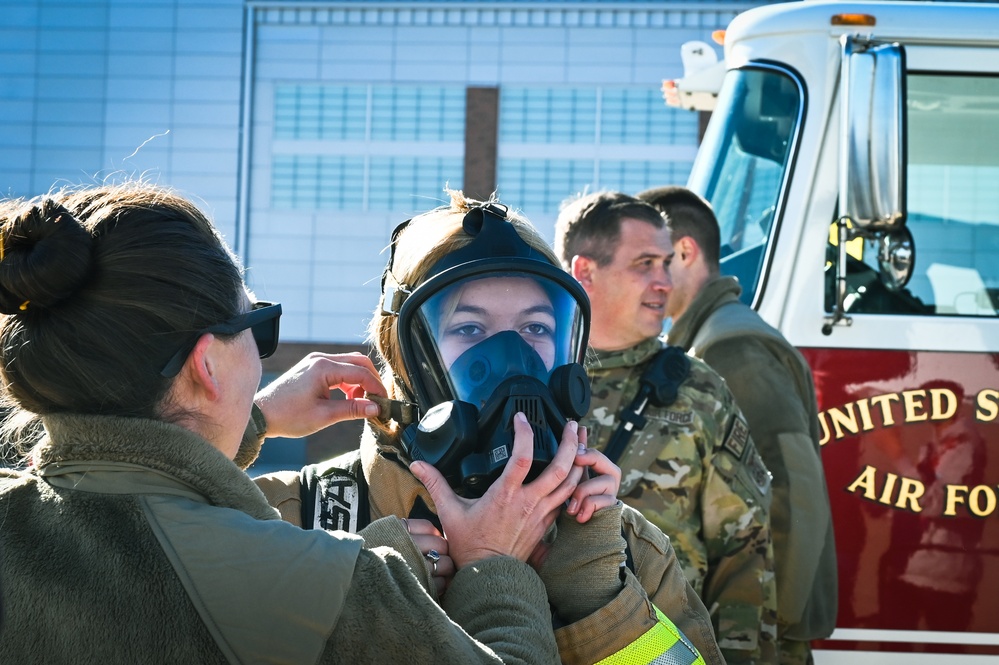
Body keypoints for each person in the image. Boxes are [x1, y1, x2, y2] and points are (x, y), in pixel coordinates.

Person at [0, 183, 586, 664]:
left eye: (537, 327)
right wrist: (493, 567)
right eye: (257, 324)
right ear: (208, 363)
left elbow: (137, 498)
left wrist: (253, 419)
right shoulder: (320, 576)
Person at [255, 190, 726, 665]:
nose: (511, 359)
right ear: (402, 356)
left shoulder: (620, 552)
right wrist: (357, 595)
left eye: (536, 328)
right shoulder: (293, 521)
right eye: (470, 330)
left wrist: (600, 604)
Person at [555, 190, 779, 664]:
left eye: (666, 263)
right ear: (584, 272)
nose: (665, 281)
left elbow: (744, 553)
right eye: (644, 264)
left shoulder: (698, 390)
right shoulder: (530, 387)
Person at [637, 185, 838, 664]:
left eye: (651, 261)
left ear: (684, 252)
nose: (647, 283)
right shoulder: (709, 339)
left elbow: (793, 488)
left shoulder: (731, 348)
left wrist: (771, 624)